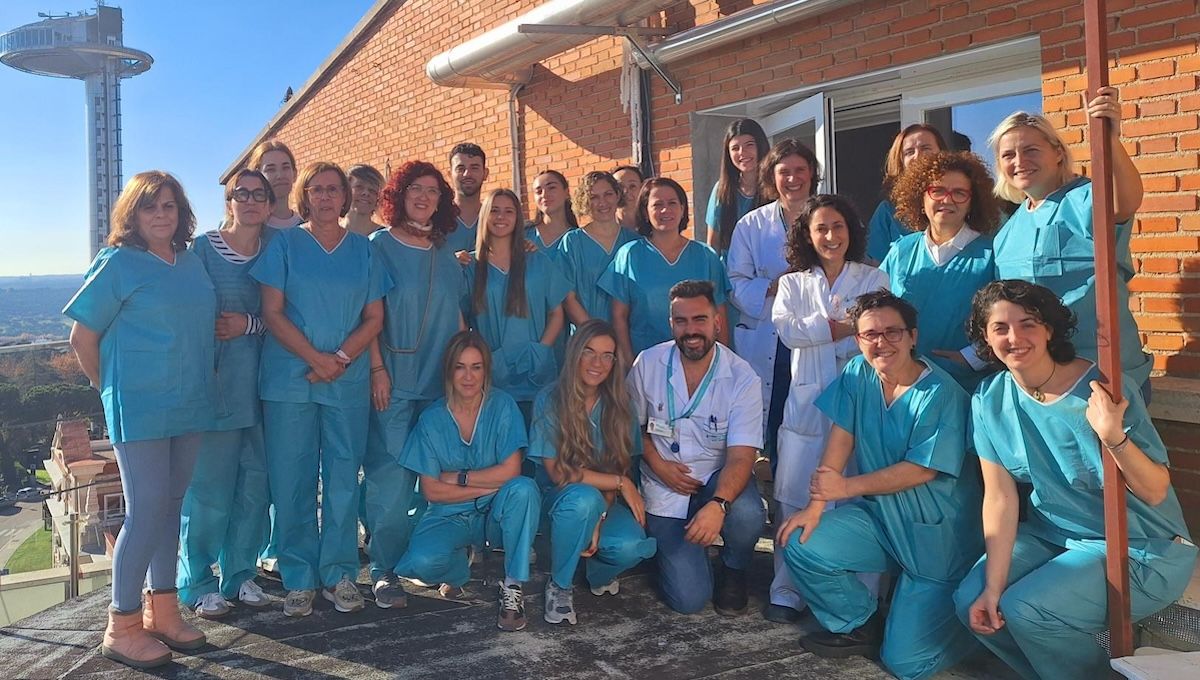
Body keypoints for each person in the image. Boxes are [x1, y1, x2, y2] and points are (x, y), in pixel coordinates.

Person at [954, 280, 1197, 680]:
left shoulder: (1101, 388)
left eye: (1028, 323)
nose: (1014, 337)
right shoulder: (988, 400)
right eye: (1000, 327)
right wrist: (992, 585)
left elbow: (1155, 491)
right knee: (973, 602)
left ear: (1049, 329)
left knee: (1027, 610)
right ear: (985, 337)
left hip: (1140, 545)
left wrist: (1112, 435)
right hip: (1057, 537)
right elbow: (999, 499)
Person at [778, 290, 982, 680]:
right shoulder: (858, 372)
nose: (881, 342)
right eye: (870, 334)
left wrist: (846, 488)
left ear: (912, 337)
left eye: (892, 332)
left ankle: (971, 628)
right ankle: (860, 622)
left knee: (906, 663)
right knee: (802, 541)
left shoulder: (941, 394)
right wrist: (817, 505)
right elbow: (842, 434)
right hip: (881, 520)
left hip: (935, 537)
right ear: (858, 340)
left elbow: (921, 471)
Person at [64, 171, 216, 668]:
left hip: (189, 403)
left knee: (171, 507)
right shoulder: (118, 263)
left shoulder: (191, 263)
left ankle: (163, 611)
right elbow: (82, 340)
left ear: (181, 213)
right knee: (146, 509)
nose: (161, 215)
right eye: (150, 207)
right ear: (133, 213)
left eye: (169, 206)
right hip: (141, 407)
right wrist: (110, 393)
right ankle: (122, 624)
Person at [250, 162, 390, 618]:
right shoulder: (285, 245)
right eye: (317, 190)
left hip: (345, 383)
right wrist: (316, 359)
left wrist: (341, 360)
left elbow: (374, 318)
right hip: (290, 381)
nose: (326, 197)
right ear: (305, 196)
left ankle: (339, 573)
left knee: (343, 479)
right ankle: (298, 577)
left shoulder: (364, 251)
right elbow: (272, 313)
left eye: (334, 190)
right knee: (292, 481)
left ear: (345, 197)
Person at [766, 194, 889, 624]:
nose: (831, 236)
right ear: (807, 234)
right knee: (794, 497)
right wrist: (845, 326)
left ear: (850, 231)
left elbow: (878, 331)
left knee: (856, 501)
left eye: (838, 226)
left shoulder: (874, 277)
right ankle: (786, 590)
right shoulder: (792, 284)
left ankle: (858, 594)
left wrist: (829, 329)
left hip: (859, 405)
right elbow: (788, 332)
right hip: (805, 409)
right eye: (821, 228)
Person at [989, 88, 1152, 396]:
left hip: (1104, 377)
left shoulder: (1086, 198)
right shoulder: (1006, 232)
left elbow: (1124, 202)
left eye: (1031, 150)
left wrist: (1109, 139)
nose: (1020, 161)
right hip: (1043, 383)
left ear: (1058, 152)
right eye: (1008, 155)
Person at [626, 280, 766, 615]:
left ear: (717, 320)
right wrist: (657, 464)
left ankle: (733, 567)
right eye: (682, 321)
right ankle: (677, 552)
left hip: (717, 479)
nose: (691, 330)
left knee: (747, 513)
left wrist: (719, 504)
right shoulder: (647, 364)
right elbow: (631, 429)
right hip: (664, 485)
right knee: (688, 601)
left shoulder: (742, 377)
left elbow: (742, 456)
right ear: (670, 323)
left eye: (699, 319)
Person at [361, 161, 465, 608]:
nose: (423, 197)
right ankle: (384, 570)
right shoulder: (377, 247)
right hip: (395, 383)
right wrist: (376, 370)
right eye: (414, 189)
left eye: (432, 191)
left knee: (439, 481)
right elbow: (367, 317)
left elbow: (457, 316)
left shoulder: (445, 251)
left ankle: (429, 563)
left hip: (440, 386)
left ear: (442, 201)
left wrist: (466, 376)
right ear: (398, 196)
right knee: (390, 483)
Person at [393, 331, 541, 632]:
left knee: (524, 490)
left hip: (497, 510)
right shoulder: (433, 419)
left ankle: (513, 585)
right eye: (460, 366)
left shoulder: (502, 406)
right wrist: (487, 486)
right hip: (451, 514)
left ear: (486, 370)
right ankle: (459, 568)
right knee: (422, 563)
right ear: (449, 370)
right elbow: (432, 490)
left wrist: (460, 479)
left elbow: (512, 471)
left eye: (476, 367)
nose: (469, 376)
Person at [177, 170, 275, 619]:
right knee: (209, 491)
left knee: (255, 487)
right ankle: (197, 581)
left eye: (259, 195)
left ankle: (240, 573)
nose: (251, 201)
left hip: (264, 386)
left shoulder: (276, 249)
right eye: (242, 194)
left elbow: (286, 313)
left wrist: (247, 325)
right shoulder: (202, 250)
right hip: (216, 387)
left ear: (271, 204)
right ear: (229, 200)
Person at [529, 320, 656, 625]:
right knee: (583, 499)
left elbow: (618, 466)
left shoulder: (619, 404)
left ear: (615, 361)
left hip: (601, 502)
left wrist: (600, 514)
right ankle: (559, 586)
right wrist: (619, 483)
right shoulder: (550, 398)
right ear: (574, 353)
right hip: (557, 503)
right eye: (589, 352)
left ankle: (596, 571)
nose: (597, 363)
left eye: (607, 355)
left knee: (632, 546)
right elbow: (558, 472)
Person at [728, 139, 821, 465]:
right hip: (770, 340)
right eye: (785, 172)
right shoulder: (751, 225)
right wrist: (773, 286)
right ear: (772, 177)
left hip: (817, 336)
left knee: (815, 426)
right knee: (774, 425)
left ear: (812, 174)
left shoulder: (829, 220)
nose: (793, 179)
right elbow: (735, 283)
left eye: (800, 170)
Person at [882, 151, 1000, 391]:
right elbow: (877, 308)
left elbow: (1009, 318)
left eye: (959, 193)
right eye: (937, 191)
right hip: (905, 384)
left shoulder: (991, 253)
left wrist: (971, 357)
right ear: (921, 198)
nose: (947, 200)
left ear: (972, 202)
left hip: (964, 385)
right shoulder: (901, 250)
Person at [599, 177, 731, 364]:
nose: (665, 210)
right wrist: (629, 363)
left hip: (699, 362)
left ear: (683, 208)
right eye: (657, 204)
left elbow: (720, 316)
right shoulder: (629, 255)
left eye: (672, 203)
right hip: (646, 364)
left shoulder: (705, 256)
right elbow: (619, 318)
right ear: (645, 212)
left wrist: (720, 362)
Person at [465, 188, 569, 412]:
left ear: (517, 218)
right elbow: (462, 321)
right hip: (494, 370)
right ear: (484, 216)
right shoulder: (470, 266)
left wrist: (541, 349)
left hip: (537, 371)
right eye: (494, 210)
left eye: (509, 211)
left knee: (541, 439)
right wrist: (483, 358)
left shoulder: (536, 260)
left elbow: (557, 313)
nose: (501, 217)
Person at [559, 171, 639, 325]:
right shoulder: (573, 242)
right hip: (587, 336)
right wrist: (594, 335)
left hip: (629, 337)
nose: (602, 202)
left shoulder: (634, 241)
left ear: (617, 195)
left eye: (608, 194)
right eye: (594, 197)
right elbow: (568, 297)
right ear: (585, 201)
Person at [866, 124, 947, 262]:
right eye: (909, 152)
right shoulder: (888, 211)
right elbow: (875, 268)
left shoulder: (959, 201)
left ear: (942, 153)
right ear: (901, 162)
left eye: (926, 148)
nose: (918, 156)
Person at [706, 118, 768, 258]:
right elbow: (713, 243)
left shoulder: (776, 188)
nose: (742, 152)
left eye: (749, 145)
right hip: (730, 274)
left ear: (761, 146)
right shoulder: (722, 190)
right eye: (735, 148)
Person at [249, 139, 303, 229]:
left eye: (285, 167)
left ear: (294, 174)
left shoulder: (308, 227)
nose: (280, 175)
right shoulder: (248, 228)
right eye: (270, 169)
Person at [445, 143, 488, 254]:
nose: (467, 174)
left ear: (485, 173)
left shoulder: (495, 218)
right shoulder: (437, 219)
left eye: (474, 168)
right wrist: (451, 262)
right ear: (450, 175)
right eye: (460, 168)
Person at [526, 169, 579, 252]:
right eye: (539, 191)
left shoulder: (579, 240)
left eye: (551, 188)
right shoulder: (523, 234)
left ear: (566, 192)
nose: (544, 194)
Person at [341, 164, 386, 236]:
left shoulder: (385, 238)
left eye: (372, 190)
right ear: (345, 192)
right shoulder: (331, 234)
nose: (366, 193)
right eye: (359, 187)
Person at [611, 164, 644, 231]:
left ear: (642, 188)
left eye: (632, 186)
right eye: (619, 186)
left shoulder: (654, 227)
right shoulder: (602, 230)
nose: (625, 191)